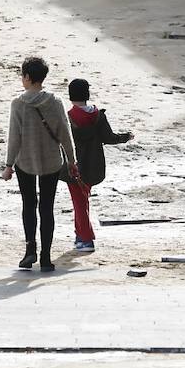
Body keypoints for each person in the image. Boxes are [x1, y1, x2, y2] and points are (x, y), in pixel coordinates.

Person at [1, 57, 77, 272]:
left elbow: (14, 137)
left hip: (25, 161)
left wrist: (8, 165)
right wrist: (72, 160)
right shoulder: (55, 101)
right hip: (52, 161)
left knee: (28, 205)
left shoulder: (18, 103)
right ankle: (45, 257)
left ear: (26, 77)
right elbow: (65, 133)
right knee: (47, 208)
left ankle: (30, 250)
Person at [65, 79, 133, 252]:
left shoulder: (70, 116)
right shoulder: (98, 116)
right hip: (94, 165)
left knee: (79, 202)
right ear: (87, 95)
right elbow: (109, 138)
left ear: (71, 95)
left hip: (75, 165)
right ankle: (80, 235)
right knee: (83, 200)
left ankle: (86, 240)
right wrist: (126, 136)